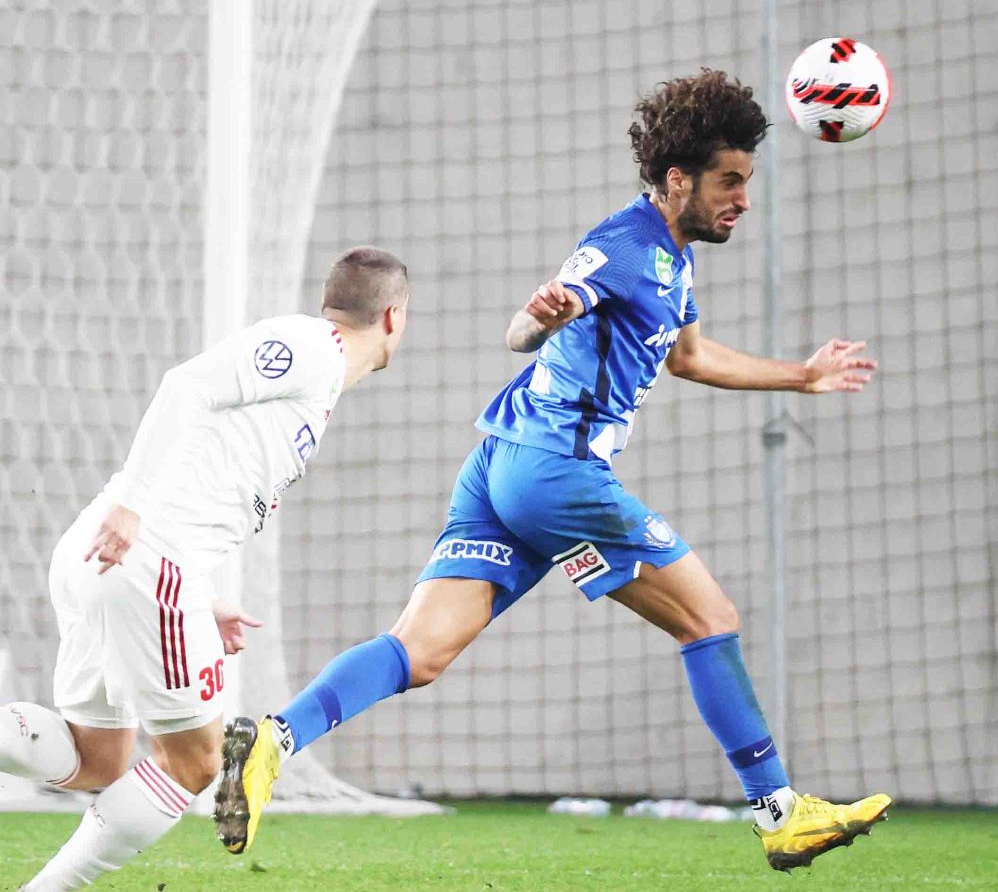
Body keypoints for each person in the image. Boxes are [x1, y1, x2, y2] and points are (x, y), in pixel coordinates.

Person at [216, 71, 887, 873]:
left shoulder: (674, 261)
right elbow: (523, 329)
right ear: (679, 180)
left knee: (420, 651)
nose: (743, 198)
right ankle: (779, 811)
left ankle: (274, 741)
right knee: (708, 619)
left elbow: (690, 357)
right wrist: (540, 319)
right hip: (557, 476)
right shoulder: (625, 246)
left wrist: (802, 376)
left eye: (746, 180)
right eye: (729, 182)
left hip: (501, 465)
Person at [2, 246, 411, 891]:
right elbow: (185, 386)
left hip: (108, 555)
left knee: (96, 761)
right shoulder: (310, 346)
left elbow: (206, 473)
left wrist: (200, 595)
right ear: (394, 316)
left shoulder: (317, 383)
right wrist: (134, 510)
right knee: (195, 762)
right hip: (139, 553)